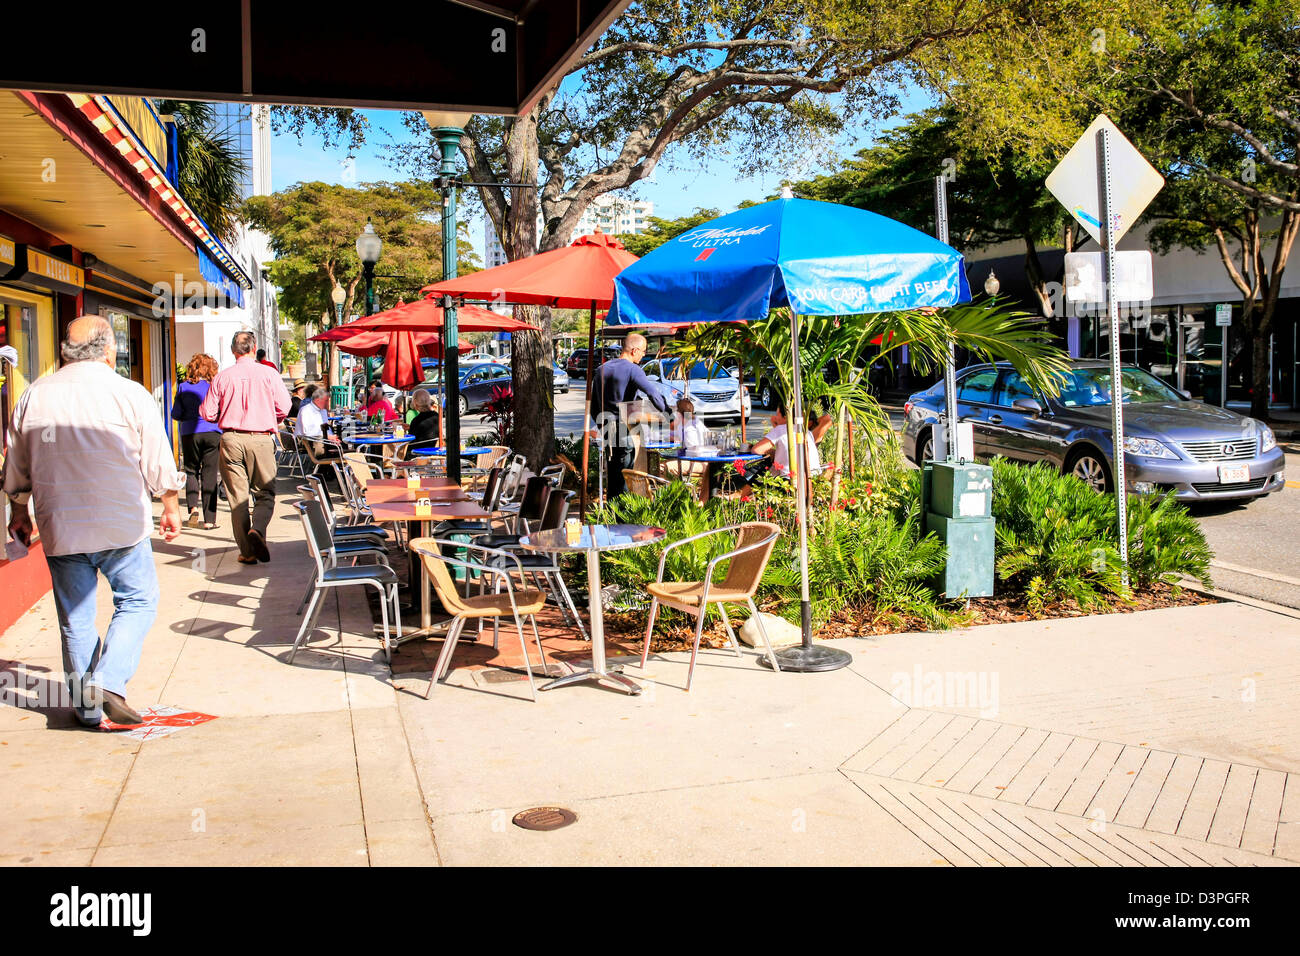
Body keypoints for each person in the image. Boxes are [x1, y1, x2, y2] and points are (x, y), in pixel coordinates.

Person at [2, 316, 184, 727]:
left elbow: (16, 464)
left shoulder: (34, 395)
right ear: (109, 350)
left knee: (75, 618)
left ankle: (86, 710)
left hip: (60, 524)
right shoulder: (128, 393)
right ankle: (108, 681)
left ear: (65, 351)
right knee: (137, 601)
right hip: (120, 523)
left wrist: (18, 512)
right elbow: (156, 457)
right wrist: (170, 504)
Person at [201, 330, 291, 565]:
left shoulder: (222, 377)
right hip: (261, 438)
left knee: (237, 498)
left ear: (233, 351)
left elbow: (207, 412)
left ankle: (248, 552)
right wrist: (271, 416)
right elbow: (285, 406)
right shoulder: (269, 374)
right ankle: (258, 530)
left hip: (231, 439)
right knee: (265, 493)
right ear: (254, 349)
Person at [590, 332, 670, 498]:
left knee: (613, 476)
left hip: (606, 428)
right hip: (624, 429)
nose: (643, 355)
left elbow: (593, 406)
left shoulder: (601, 369)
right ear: (634, 350)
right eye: (643, 351)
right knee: (626, 476)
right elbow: (652, 393)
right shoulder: (634, 370)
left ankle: (612, 517)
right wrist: (669, 414)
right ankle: (623, 519)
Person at [171, 353, 223, 530]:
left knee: (191, 471)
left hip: (189, 433)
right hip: (213, 432)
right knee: (210, 475)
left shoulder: (183, 387)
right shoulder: (213, 387)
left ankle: (193, 508)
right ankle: (210, 520)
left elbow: (175, 414)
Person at [404, 388, 441, 458]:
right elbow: (426, 430)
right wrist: (409, 427)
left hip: (417, 452)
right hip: (434, 450)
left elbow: (411, 438)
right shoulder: (437, 416)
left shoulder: (416, 420)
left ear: (415, 404)